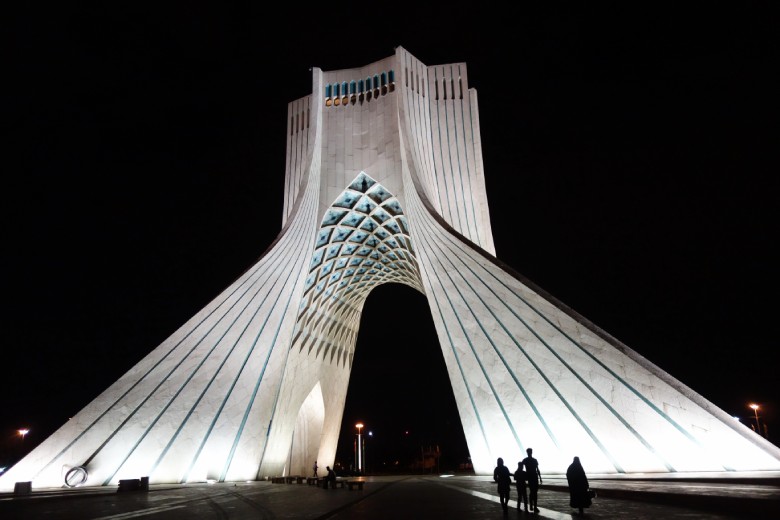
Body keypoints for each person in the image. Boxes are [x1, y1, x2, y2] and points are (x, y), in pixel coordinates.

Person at [522, 448, 542, 513]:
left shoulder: (525, 460)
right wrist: (540, 477)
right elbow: (537, 469)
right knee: (534, 492)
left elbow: (521, 467)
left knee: (532, 491)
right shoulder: (534, 460)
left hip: (530, 477)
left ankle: (531, 505)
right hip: (534, 477)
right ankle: (534, 506)